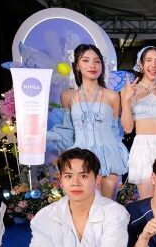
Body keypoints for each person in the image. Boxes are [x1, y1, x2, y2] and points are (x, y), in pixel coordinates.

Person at [52, 44, 128, 199]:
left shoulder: (113, 96)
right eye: (86, 60)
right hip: (80, 158)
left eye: (97, 61)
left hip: (109, 157)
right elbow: (68, 130)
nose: (92, 65)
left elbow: (117, 130)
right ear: (77, 66)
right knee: (86, 206)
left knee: (109, 206)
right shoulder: (67, 96)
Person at [122, 46, 156, 199]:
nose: (153, 65)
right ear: (141, 64)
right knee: (147, 200)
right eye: (149, 60)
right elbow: (127, 128)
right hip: (143, 146)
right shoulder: (129, 91)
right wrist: (126, 100)